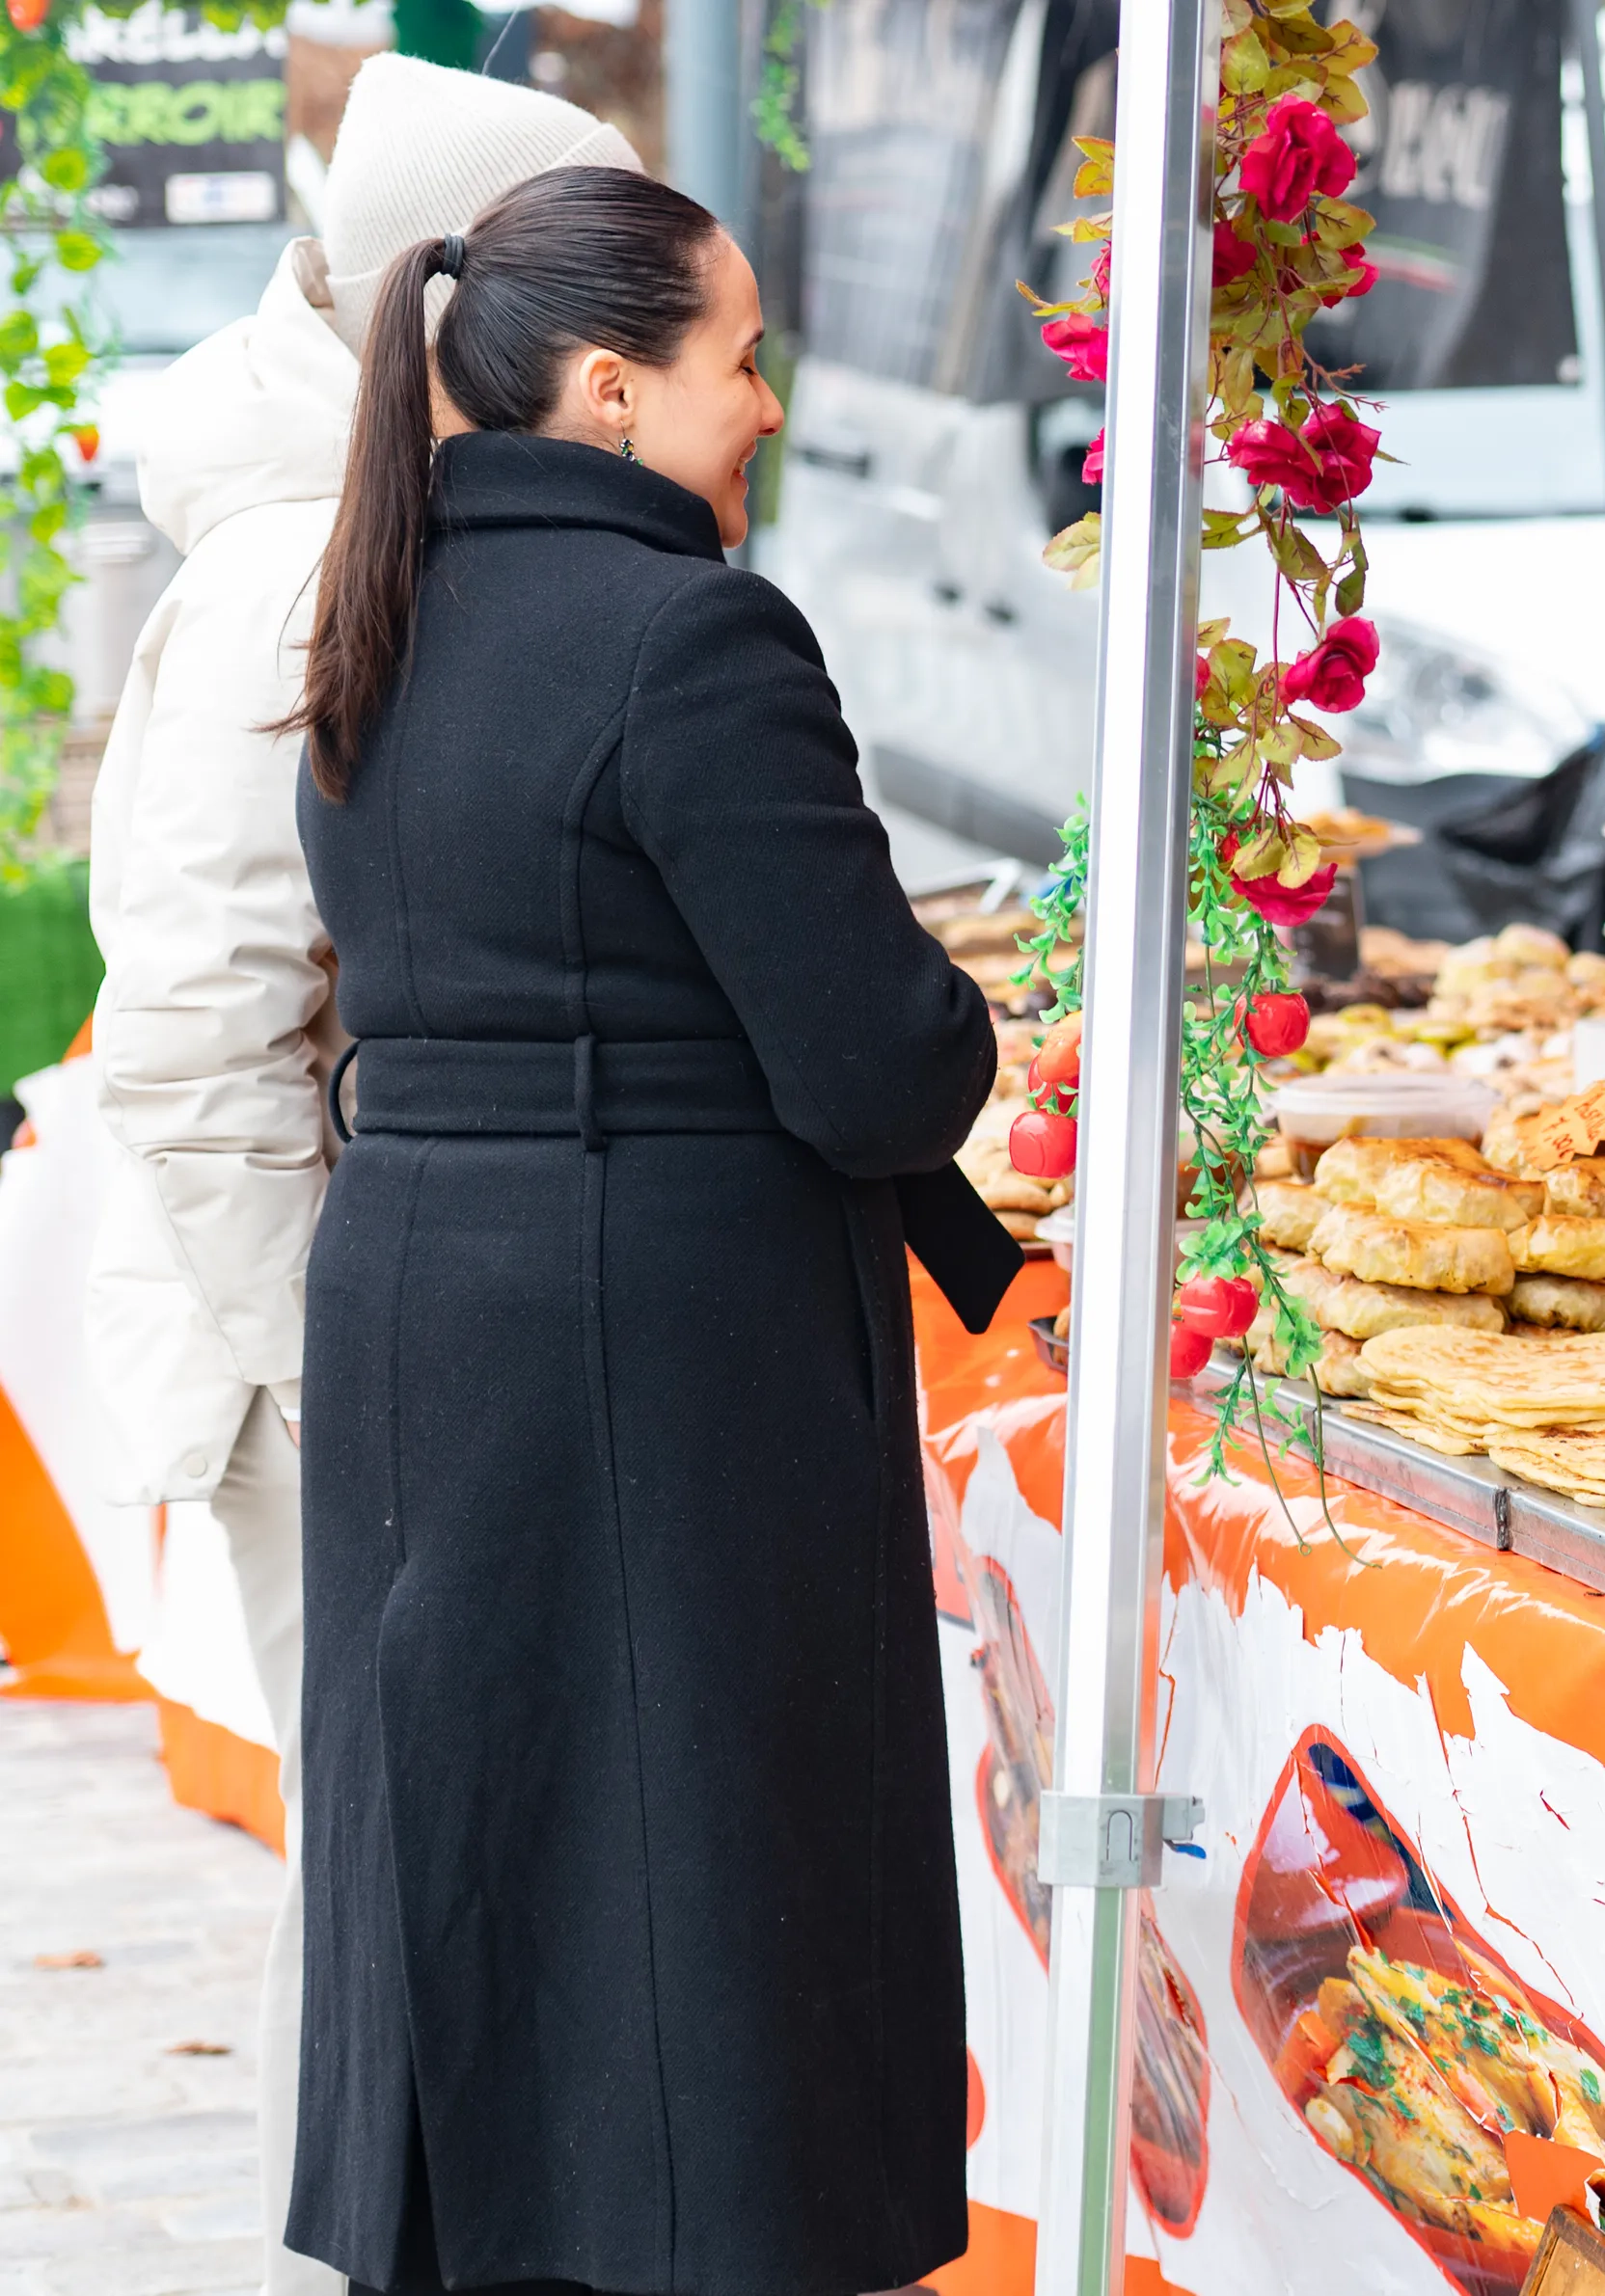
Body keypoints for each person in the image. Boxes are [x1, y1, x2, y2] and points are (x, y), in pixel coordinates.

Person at [285, 168, 1003, 2296]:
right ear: (613, 389)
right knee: (692, 1889)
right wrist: (968, 1016)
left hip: (419, 1292)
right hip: (654, 1326)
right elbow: (877, 1061)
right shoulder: (693, 630)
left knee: (480, 1841)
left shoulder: (376, 610)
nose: (767, 404)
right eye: (740, 355)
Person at [78, 59, 639, 2296]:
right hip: (321, 1336)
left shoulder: (380, 517)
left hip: (377, 1318)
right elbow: (197, 1044)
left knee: (416, 1870)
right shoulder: (293, 568)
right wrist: (337, 1349)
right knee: (384, 1890)